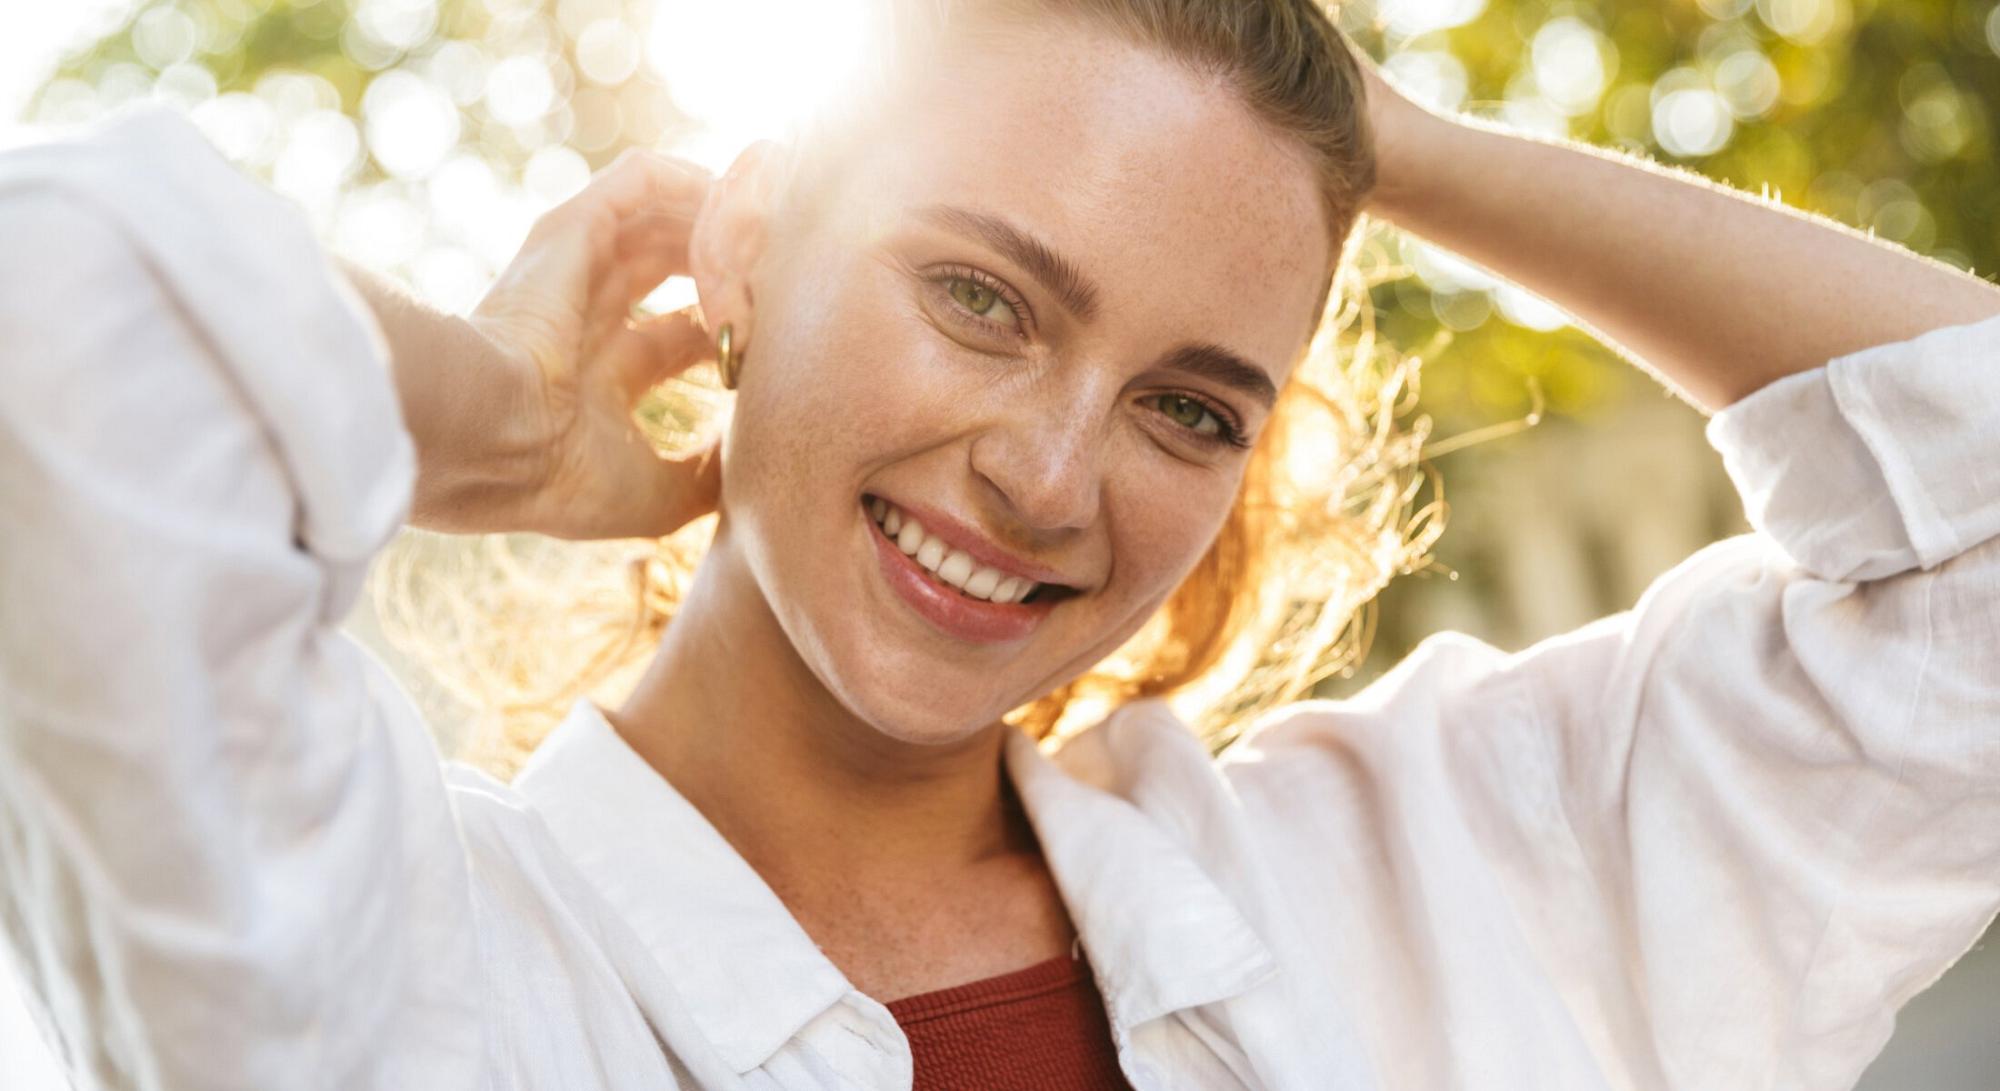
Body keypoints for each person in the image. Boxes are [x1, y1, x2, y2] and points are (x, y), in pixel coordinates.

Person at [2, 1, 1996, 1088]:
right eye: (979, 296)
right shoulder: (392, 957)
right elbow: (54, 303)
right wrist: (506, 425)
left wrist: (1363, 133)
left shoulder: (1447, 872)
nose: (1051, 479)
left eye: (1190, 403)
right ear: (751, 249)